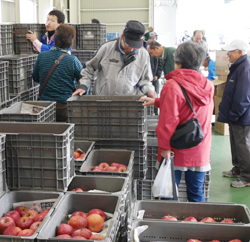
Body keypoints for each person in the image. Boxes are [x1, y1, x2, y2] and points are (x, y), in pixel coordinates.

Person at [140, 41, 214, 202]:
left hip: (176, 149)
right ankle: (197, 224)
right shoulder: (208, 85)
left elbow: (168, 121)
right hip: (200, 146)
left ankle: (170, 224)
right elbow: (191, 106)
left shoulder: (172, 85)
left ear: (177, 62)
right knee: (196, 194)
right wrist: (159, 101)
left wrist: (165, 148)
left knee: (168, 193)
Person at [73, 20, 156, 97]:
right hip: (103, 101)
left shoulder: (144, 55)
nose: (131, 49)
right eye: (128, 45)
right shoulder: (107, 48)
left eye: (134, 47)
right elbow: (89, 69)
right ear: (122, 37)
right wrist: (83, 85)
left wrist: (150, 91)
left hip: (128, 103)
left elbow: (146, 80)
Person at [32, 24, 84, 122]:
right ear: (70, 42)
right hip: (64, 105)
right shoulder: (72, 60)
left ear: (54, 40)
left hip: (44, 106)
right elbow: (83, 81)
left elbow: (35, 78)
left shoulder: (42, 56)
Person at [218, 39, 250, 188]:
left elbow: (243, 96)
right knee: (235, 144)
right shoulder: (237, 67)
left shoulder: (245, 68)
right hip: (235, 115)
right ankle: (238, 169)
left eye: (231, 51)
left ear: (240, 52)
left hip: (242, 117)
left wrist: (235, 114)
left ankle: (247, 177)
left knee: (243, 146)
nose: (228, 53)